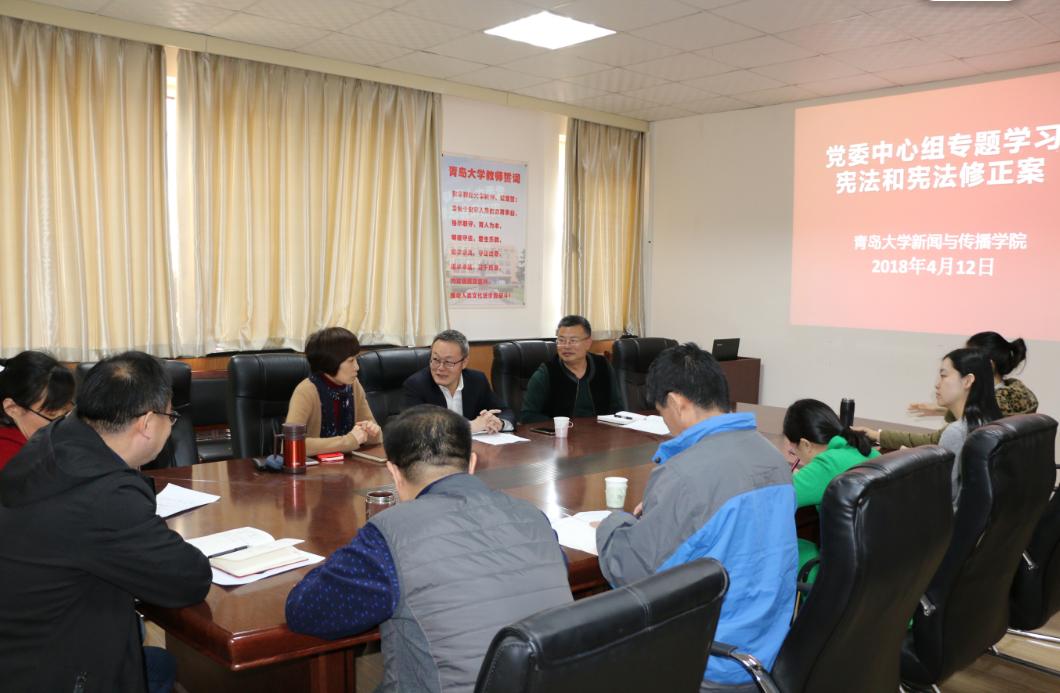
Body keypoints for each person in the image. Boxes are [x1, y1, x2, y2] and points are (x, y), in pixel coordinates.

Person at [286, 405, 572, 692]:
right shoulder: (533, 517)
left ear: (394, 473)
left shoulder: (391, 536)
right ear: (472, 463)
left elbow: (305, 611)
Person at [0, 351, 212, 693]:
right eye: (170, 417)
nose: (170, 427)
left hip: (23, 649)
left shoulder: (53, 439)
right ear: (146, 423)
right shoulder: (102, 494)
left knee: (161, 666)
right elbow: (189, 578)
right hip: (53, 671)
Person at [595, 343, 797, 692]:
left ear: (676, 402)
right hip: (769, 648)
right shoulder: (772, 457)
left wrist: (612, 523)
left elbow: (633, 572)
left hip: (711, 662)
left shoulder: (685, 474)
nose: (667, 424)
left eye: (662, 412)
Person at [858, 348, 1001, 505]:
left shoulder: (956, 431)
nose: (937, 385)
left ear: (967, 381)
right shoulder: (992, 421)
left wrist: (913, 466)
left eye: (943, 376)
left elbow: (941, 494)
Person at [887, 331, 1036, 449]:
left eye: (969, 356)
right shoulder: (1004, 405)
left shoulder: (961, 429)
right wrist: (944, 409)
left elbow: (937, 444)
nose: (937, 384)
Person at [782, 398, 879, 580]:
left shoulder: (826, 465)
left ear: (805, 444)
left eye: (794, 450)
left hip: (840, 572)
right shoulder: (865, 450)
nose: (795, 455)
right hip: (872, 565)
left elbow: (773, 499)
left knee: (779, 548)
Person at [286, 327, 381, 456]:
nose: (357, 367)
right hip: (315, 468)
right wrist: (348, 441)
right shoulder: (306, 391)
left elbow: (376, 438)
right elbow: (290, 444)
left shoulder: (353, 385)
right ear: (331, 363)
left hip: (349, 464)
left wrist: (372, 432)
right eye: (351, 361)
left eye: (356, 359)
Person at [402, 329, 514, 433]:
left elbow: (505, 411)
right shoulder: (416, 385)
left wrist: (499, 423)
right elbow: (415, 429)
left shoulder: (477, 380)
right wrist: (469, 426)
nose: (440, 368)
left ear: (464, 362)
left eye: (448, 362)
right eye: (436, 359)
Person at [519, 314, 624, 423]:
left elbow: (617, 409)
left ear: (588, 343)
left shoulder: (603, 365)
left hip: (601, 431)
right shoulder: (547, 372)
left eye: (573, 340)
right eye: (561, 340)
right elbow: (527, 416)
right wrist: (562, 425)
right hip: (561, 432)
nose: (566, 346)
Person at [0, 350, 75, 470]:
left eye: (67, 411)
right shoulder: (8, 457)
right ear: (12, 408)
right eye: (52, 415)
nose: (64, 425)